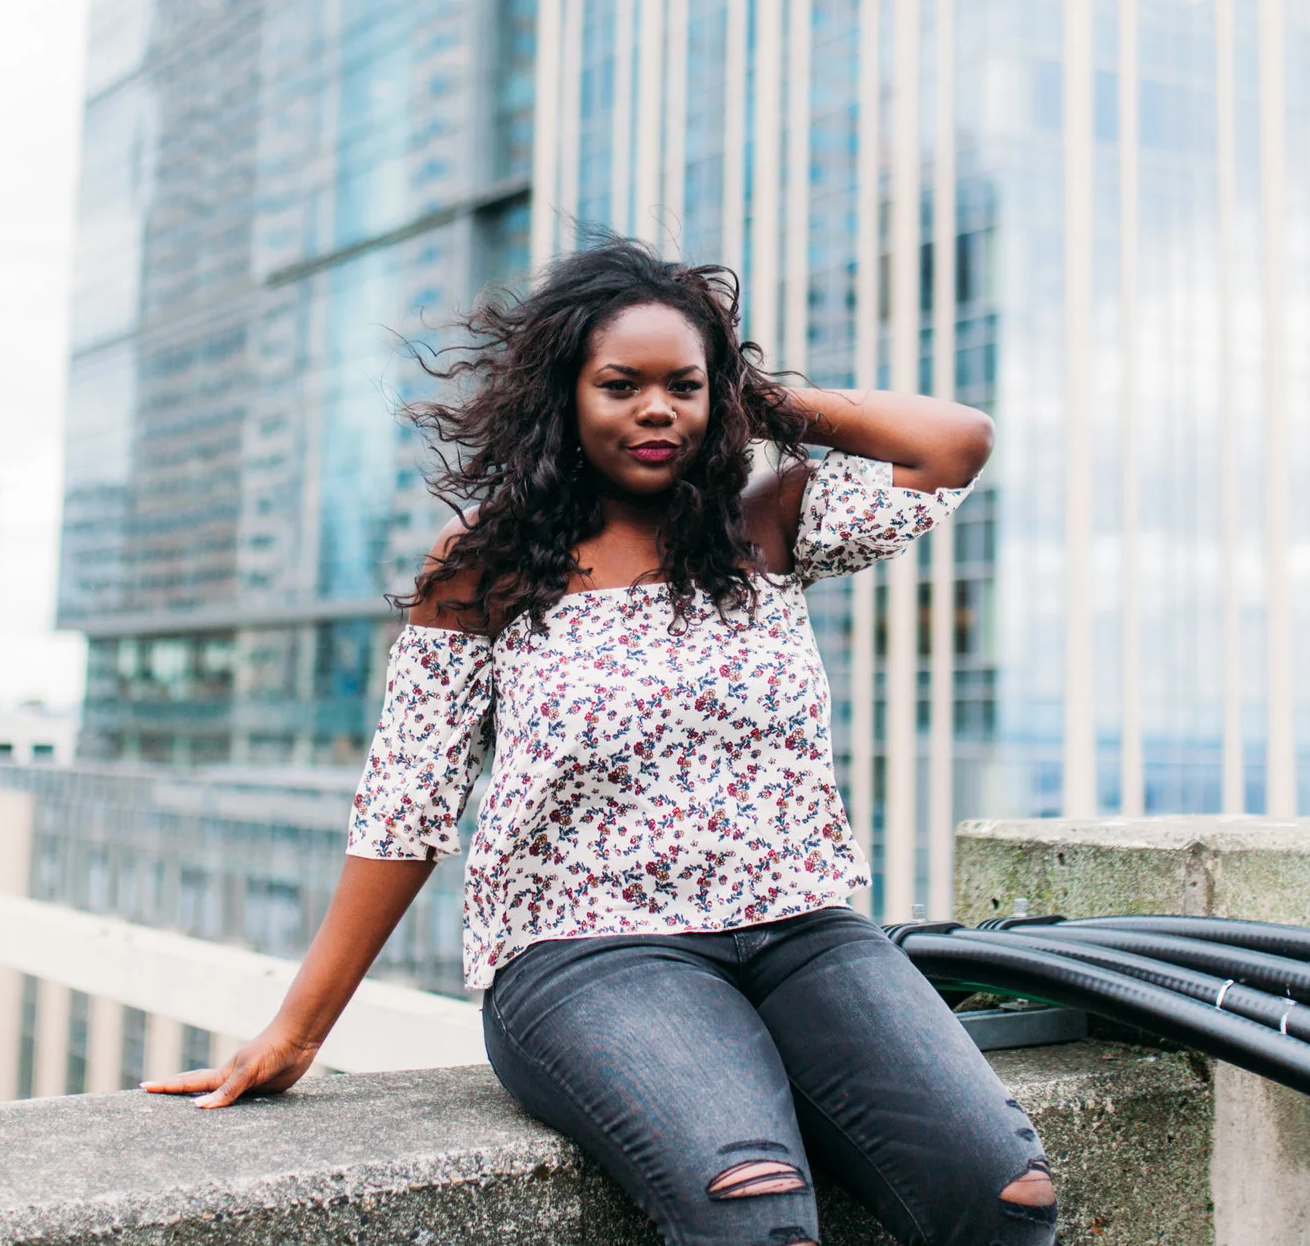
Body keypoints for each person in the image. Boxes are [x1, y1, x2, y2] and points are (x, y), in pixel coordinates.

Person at [145, 238, 1055, 1246]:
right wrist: (300, 1025)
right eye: (620, 384)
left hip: (803, 928)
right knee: (754, 1209)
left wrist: (756, 393)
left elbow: (951, 441)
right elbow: (408, 801)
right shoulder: (485, 563)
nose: (656, 409)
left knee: (1003, 1191)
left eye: (685, 386)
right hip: (587, 953)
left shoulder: (766, 523)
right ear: (562, 394)